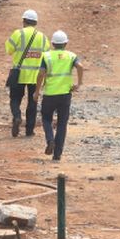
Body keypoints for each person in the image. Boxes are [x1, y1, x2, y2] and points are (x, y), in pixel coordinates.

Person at [36, 30, 83, 162]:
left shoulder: (47, 56)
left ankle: (50, 140)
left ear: (53, 43)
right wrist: (79, 83)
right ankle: (57, 154)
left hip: (50, 94)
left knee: (46, 119)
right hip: (65, 94)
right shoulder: (71, 56)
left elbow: (41, 74)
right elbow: (80, 66)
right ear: (66, 43)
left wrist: (36, 91)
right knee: (62, 123)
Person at [5, 9, 49, 138]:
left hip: (19, 73)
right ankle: (29, 130)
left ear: (24, 21)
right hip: (36, 76)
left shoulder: (18, 34)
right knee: (33, 102)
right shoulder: (42, 37)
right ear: (36, 22)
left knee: (15, 99)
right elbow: (47, 56)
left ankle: (17, 117)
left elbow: (9, 50)